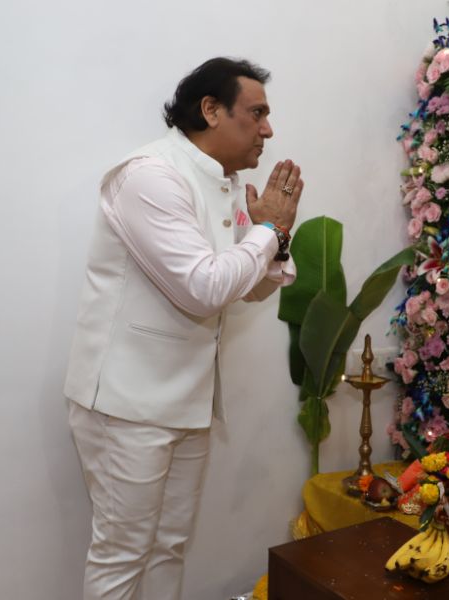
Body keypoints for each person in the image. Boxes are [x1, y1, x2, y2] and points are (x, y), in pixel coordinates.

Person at [63, 57, 303, 600]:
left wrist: (272, 236)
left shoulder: (223, 183)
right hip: (127, 403)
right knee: (122, 555)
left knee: (169, 545)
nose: (268, 129)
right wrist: (268, 228)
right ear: (211, 110)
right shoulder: (149, 176)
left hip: (187, 399)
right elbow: (204, 287)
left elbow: (249, 286)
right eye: (257, 113)